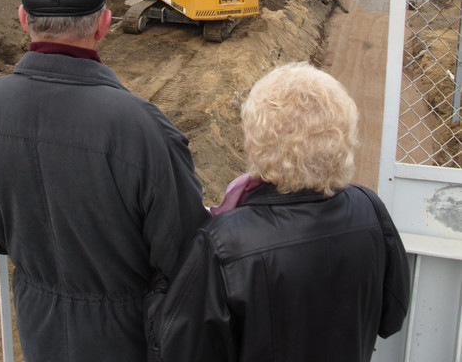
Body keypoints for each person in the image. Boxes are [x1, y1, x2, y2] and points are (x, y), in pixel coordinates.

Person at [0, 0, 209, 362]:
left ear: (23, 18)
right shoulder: (142, 128)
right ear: (104, 25)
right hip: (128, 335)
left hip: (39, 327)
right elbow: (186, 256)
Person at [147, 62, 410, 362]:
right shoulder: (370, 209)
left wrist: (159, 289)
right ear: (343, 134)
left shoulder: (223, 242)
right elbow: (392, 318)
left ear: (256, 138)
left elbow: (179, 349)